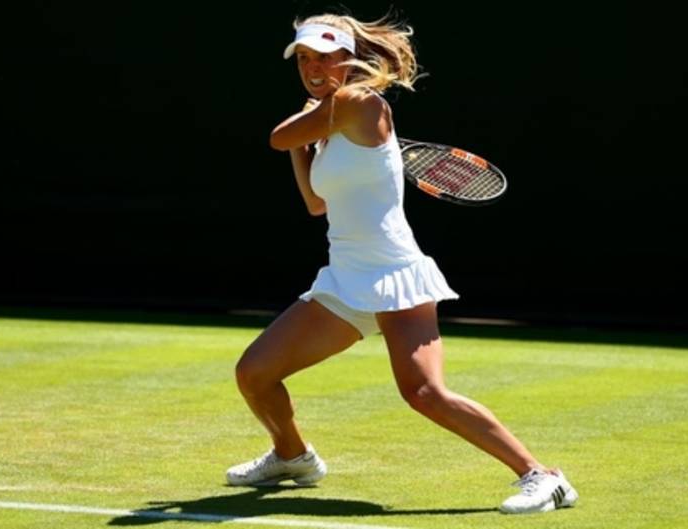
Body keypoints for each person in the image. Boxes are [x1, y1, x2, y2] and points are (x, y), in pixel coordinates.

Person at [226, 11, 578, 515]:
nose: (312, 67)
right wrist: (306, 143)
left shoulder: (358, 102)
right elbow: (315, 203)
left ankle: (544, 478)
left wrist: (306, 123)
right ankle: (292, 456)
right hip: (345, 281)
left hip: (394, 274)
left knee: (424, 392)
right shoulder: (329, 120)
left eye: (324, 56)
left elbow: (278, 135)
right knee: (255, 373)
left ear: (349, 59)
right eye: (303, 58)